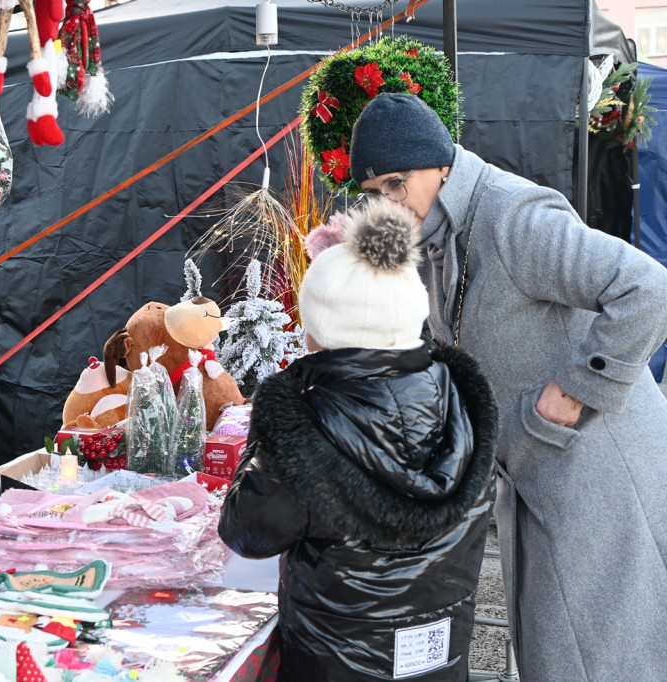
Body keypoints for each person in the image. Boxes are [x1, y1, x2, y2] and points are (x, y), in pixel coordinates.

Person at [348, 93, 667, 681]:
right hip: (542, 468)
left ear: (439, 164)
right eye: (374, 192)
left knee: (601, 657)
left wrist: (572, 392)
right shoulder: (439, 228)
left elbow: (648, 289)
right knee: (555, 652)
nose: (388, 203)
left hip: (599, 464)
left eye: (396, 184)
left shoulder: (512, 215)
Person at [218, 198, 498, 681]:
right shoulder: (466, 403)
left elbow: (246, 532)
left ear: (319, 328)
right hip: (439, 661)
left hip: (334, 668)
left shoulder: (304, 423)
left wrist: (269, 427)